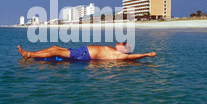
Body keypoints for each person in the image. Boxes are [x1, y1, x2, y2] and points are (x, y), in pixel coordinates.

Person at [17, 42, 156, 61]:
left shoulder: (119, 55)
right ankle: (32, 53)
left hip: (84, 54)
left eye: (122, 44)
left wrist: (146, 54)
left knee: (56, 52)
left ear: (124, 49)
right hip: (82, 51)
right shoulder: (114, 50)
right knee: (54, 48)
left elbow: (132, 57)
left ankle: (29, 55)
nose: (119, 43)